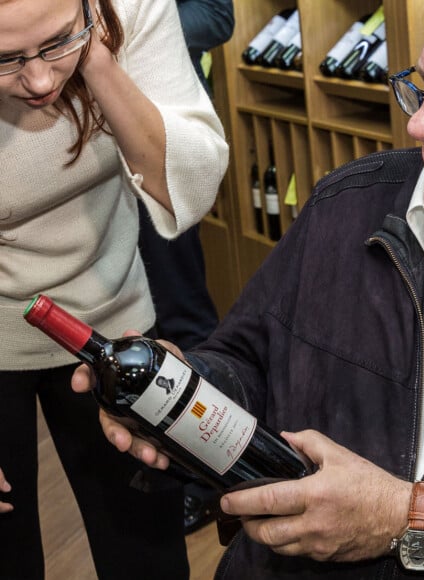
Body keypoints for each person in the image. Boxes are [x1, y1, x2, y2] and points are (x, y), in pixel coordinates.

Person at [71, 0, 424, 578]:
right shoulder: (344, 205)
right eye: (423, 86)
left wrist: (408, 514)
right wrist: (188, 393)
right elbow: (248, 362)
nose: (419, 125)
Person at [0, 0, 228, 578]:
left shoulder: (129, 7)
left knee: (145, 552)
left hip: (116, 319)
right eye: (5, 59)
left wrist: (98, 58)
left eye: (55, 44)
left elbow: (192, 186)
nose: (40, 81)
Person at [137, 0, 234, 534]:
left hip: (157, 146)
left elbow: (217, 17)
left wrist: (120, 33)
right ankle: (154, 472)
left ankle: (212, 480)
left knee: (184, 314)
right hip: (83, 167)